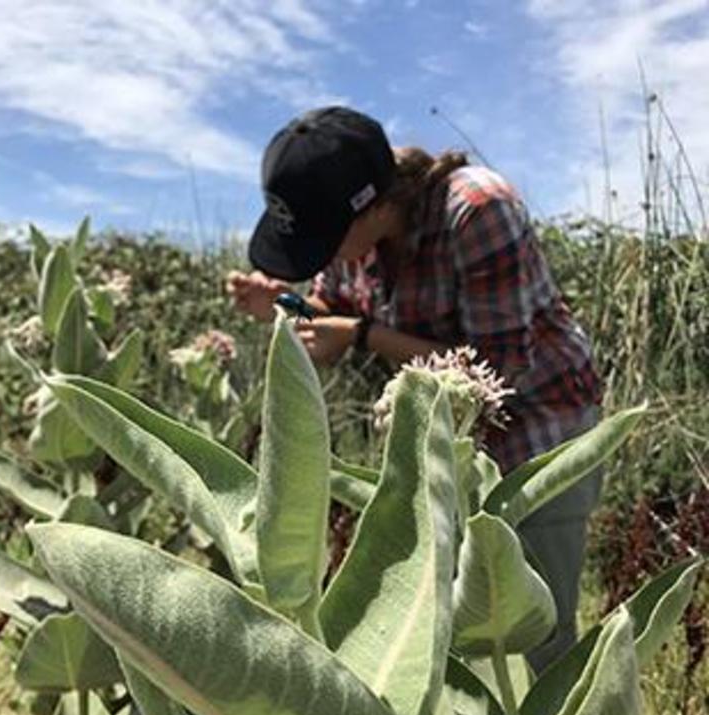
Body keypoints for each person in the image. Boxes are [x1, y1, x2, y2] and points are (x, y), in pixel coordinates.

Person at [227, 105, 603, 673]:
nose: (322, 257)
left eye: (325, 240)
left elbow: (496, 370)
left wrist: (361, 336)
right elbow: (340, 307)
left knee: (535, 639)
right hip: (445, 447)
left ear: (375, 206)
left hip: (540, 430)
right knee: (447, 640)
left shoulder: (478, 210)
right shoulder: (358, 235)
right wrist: (286, 304)